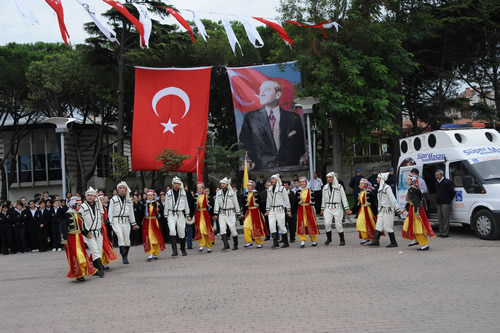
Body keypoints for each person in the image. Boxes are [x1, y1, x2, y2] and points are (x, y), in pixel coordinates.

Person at [239, 80, 306, 170]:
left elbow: (301, 145)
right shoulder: (250, 118)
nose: (261, 94)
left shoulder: (294, 118)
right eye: (260, 91)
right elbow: (243, 144)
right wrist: (246, 160)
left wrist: (304, 156)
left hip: (290, 168)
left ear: (278, 94)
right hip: (261, 168)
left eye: (266, 90)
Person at [60, 197, 97, 281]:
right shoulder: (67, 215)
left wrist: (87, 234)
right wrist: (64, 239)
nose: (80, 207)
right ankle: (78, 274)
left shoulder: (78, 214)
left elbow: (82, 227)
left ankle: (82, 273)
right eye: (79, 205)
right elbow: (63, 228)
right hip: (71, 238)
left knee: (82, 254)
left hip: (79, 237)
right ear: (74, 205)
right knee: (76, 256)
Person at [400, 174, 435, 250]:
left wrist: (416, 212)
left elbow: (416, 202)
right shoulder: (413, 188)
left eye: (408, 180)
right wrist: (404, 209)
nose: (407, 181)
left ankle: (424, 244)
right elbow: (410, 201)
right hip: (413, 209)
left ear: (412, 181)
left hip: (415, 209)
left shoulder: (413, 189)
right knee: (411, 224)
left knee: (418, 226)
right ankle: (415, 239)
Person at [108, 181, 139, 264]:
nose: (122, 190)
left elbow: (131, 212)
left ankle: (125, 255)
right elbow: (110, 211)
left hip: (126, 221)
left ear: (126, 189)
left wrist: (134, 223)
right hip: (116, 221)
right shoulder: (113, 199)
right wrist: (110, 222)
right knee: (120, 238)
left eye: (123, 188)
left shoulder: (129, 200)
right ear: (118, 190)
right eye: (120, 188)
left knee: (127, 240)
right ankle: (124, 256)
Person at [369, 173, 401, 247]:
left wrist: (397, 209)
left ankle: (393, 242)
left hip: (388, 210)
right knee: (378, 225)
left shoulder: (387, 188)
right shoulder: (380, 189)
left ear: (382, 179)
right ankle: (376, 241)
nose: (377, 179)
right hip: (382, 210)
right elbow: (380, 201)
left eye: (378, 178)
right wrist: (379, 210)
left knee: (388, 226)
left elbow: (392, 198)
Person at [80, 187, 105, 278]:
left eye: (92, 195)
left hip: (98, 232)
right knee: (94, 250)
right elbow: (80, 221)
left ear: (95, 196)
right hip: (89, 233)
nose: (90, 197)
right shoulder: (83, 207)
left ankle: (95, 269)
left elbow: (100, 218)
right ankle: (101, 268)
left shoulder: (98, 206)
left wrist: (100, 228)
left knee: (98, 250)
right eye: (88, 195)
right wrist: (85, 232)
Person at [321, 172, 351, 246]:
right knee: (327, 223)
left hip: (337, 207)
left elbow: (344, 198)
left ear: (334, 178)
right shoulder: (325, 187)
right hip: (328, 208)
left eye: (330, 177)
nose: (329, 179)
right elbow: (323, 199)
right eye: (328, 177)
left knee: (338, 224)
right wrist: (322, 208)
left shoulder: (339, 187)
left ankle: (342, 239)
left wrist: (347, 208)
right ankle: (329, 238)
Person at [165, 177, 191, 257]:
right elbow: (166, 204)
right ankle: (174, 250)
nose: (177, 185)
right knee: (172, 230)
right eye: (175, 183)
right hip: (171, 214)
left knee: (182, 232)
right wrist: (166, 215)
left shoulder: (183, 193)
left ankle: (183, 249)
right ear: (173, 184)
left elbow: (186, 204)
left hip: (180, 214)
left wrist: (187, 214)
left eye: (178, 184)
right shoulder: (168, 193)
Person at [213, 177, 242, 251]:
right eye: (221, 183)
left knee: (233, 229)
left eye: (224, 183)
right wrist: (215, 213)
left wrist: (238, 214)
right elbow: (216, 203)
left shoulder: (232, 193)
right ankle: (226, 245)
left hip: (230, 213)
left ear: (227, 184)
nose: (222, 185)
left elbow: (236, 203)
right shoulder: (218, 193)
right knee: (222, 229)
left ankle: (235, 245)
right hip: (222, 213)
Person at [265, 174, 291, 249]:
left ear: (277, 180)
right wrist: (267, 209)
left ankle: (286, 242)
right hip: (272, 210)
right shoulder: (269, 189)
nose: (272, 180)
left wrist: (288, 210)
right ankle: (275, 242)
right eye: (271, 179)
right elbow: (268, 200)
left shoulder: (282, 188)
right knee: (272, 225)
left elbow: (286, 199)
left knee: (282, 225)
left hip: (280, 209)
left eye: (273, 179)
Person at [351, 178, 378, 244]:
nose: (360, 185)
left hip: (368, 210)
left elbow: (373, 203)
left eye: (362, 183)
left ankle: (372, 238)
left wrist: (375, 212)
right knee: (360, 223)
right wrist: (352, 211)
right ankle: (366, 237)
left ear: (365, 184)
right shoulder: (361, 192)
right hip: (362, 210)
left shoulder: (369, 193)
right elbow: (358, 204)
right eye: (360, 183)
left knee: (369, 224)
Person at [242, 180, 268, 248]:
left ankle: (259, 242)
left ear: (253, 186)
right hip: (249, 211)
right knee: (245, 226)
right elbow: (244, 205)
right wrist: (243, 213)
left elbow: (261, 203)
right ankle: (249, 241)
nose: (248, 187)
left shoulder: (257, 193)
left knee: (256, 227)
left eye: (250, 186)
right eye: (248, 186)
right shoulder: (246, 194)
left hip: (256, 211)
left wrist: (264, 211)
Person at [296, 177, 320, 248]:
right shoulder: (298, 191)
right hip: (300, 209)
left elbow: (314, 202)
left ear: (306, 183)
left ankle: (314, 240)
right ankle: (302, 240)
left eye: (303, 182)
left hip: (308, 209)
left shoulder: (311, 191)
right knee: (301, 223)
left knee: (311, 223)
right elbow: (295, 202)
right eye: (301, 182)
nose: (302, 183)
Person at [142, 189, 166, 261]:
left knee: (156, 237)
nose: (150, 197)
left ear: (153, 196)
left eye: (151, 195)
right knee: (148, 237)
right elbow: (141, 214)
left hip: (154, 222)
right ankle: (150, 253)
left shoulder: (157, 203)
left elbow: (162, 212)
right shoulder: (144, 204)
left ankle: (155, 253)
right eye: (148, 196)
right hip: (146, 222)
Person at [193, 184, 215, 253]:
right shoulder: (195, 197)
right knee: (201, 229)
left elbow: (212, 206)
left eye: (200, 188)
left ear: (203, 189)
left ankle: (209, 246)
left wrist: (213, 214)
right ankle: (201, 244)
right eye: (198, 188)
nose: (199, 189)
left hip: (205, 215)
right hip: (198, 214)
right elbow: (192, 206)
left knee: (207, 231)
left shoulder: (207, 196)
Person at [98, 193, 118, 270]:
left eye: (103, 200)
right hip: (98, 228)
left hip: (104, 228)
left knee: (106, 244)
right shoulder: (96, 209)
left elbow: (106, 218)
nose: (102, 201)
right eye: (101, 200)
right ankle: (100, 263)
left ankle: (105, 262)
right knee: (101, 245)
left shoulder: (104, 208)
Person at [435, 169, 455, 238]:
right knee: (440, 218)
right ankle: (441, 232)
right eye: (436, 175)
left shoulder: (447, 182)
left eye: (437, 175)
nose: (436, 176)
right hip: (439, 202)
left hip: (446, 202)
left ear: (441, 175)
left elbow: (452, 192)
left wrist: (448, 199)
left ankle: (445, 233)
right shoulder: (437, 183)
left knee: (445, 218)